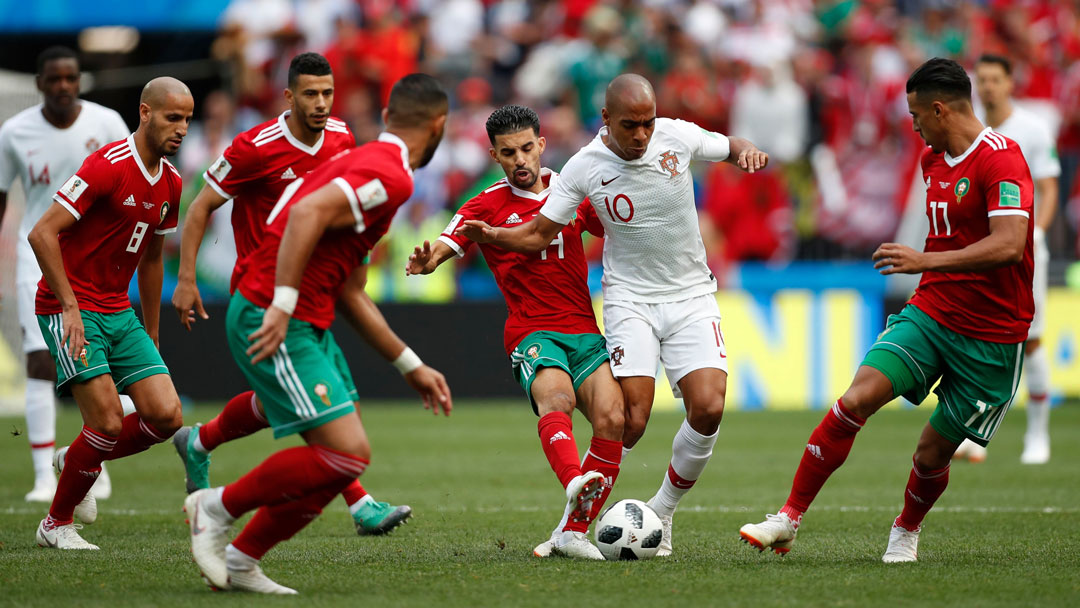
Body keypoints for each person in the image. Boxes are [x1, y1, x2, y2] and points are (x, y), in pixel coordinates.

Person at [458, 74, 769, 556]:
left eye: (647, 123)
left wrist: (747, 151)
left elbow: (731, 144)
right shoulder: (583, 167)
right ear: (606, 119)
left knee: (708, 408)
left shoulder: (677, 135)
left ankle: (660, 513)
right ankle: (575, 523)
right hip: (629, 299)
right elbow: (540, 232)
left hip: (690, 295)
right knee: (630, 419)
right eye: (631, 126)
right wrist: (490, 236)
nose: (642, 135)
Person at [739, 57, 1034, 563]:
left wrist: (924, 259)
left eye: (918, 116)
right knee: (856, 400)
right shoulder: (931, 162)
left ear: (940, 110)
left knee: (930, 453)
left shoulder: (1002, 159)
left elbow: (1009, 245)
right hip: (933, 314)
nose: (915, 127)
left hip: (992, 335)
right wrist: (928, 269)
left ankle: (906, 529)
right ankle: (787, 518)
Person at [183, 73, 452, 594]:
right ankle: (214, 508)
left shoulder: (367, 159)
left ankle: (241, 561)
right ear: (438, 125)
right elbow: (306, 212)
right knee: (346, 455)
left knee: (333, 466)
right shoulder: (390, 175)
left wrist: (410, 365)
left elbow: (351, 290)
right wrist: (283, 304)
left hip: (306, 319)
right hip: (272, 314)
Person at [170, 52, 411, 536]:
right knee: (327, 405)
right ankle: (359, 504)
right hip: (263, 294)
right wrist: (187, 278)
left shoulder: (342, 137)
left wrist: (353, 273)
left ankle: (199, 442)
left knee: (291, 397)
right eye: (310, 94)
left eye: (327, 93)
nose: (321, 103)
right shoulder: (255, 148)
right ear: (288, 96)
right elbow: (199, 207)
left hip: (313, 292)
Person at [406, 104, 624, 560]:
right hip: (532, 330)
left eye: (527, 148)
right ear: (494, 156)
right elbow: (451, 240)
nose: (520, 160)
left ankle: (572, 532)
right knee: (557, 399)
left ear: (541, 145)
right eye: (509, 153)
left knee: (613, 420)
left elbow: (617, 227)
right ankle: (573, 484)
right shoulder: (485, 204)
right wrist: (430, 261)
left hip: (584, 329)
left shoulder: (570, 190)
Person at [28, 77, 194, 549]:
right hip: (70, 308)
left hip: (118, 311)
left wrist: (154, 334)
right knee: (104, 422)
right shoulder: (106, 166)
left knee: (166, 417)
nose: (181, 128)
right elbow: (42, 234)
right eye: (171, 117)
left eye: (187, 119)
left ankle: (75, 456)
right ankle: (56, 524)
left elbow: (153, 258)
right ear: (145, 113)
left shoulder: (172, 182)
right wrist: (69, 308)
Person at [0, 46, 132, 504]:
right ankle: (42, 475)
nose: (62, 86)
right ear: (39, 83)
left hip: (94, 258)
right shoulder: (14, 131)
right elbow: (2, 200)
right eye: (53, 79)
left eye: (70, 78)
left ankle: (90, 458)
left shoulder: (108, 123)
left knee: (98, 362)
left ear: (80, 81)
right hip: (36, 250)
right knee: (41, 361)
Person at [958, 54, 1060, 465]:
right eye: (980, 80)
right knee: (976, 336)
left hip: (1023, 249)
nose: (987, 87)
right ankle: (975, 435)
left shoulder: (1032, 129)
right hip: (982, 250)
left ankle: (1038, 435)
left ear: (1010, 83)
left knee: (1030, 340)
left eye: (994, 79)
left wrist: (1036, 231)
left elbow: (1049, 187)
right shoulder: (971, 131)